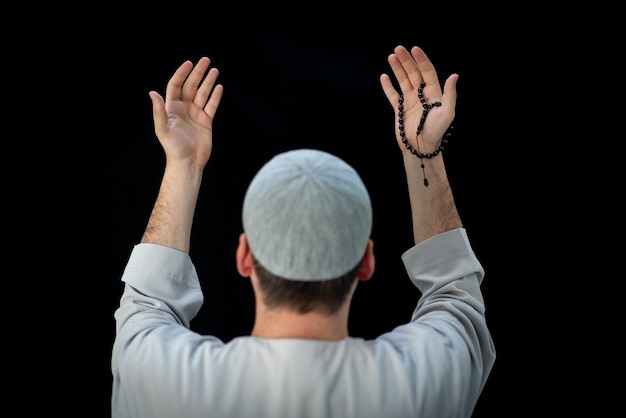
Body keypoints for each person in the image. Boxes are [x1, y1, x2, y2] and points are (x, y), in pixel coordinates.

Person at [111, 45, 496, 418]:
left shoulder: (163, 379)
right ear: (367, 261)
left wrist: (185, 164)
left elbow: (150, 298)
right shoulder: (426, 380)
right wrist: (421, 151)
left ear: (244, 258)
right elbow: (454, 291)